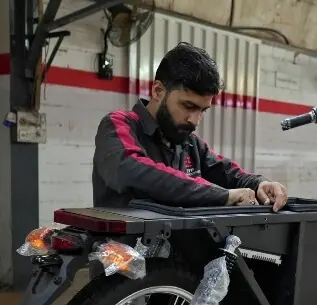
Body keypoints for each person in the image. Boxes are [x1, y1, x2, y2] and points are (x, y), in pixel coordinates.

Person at [92, 42, 287, 210]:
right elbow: (131, 172)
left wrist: (260, 184)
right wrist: (224, 196)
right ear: (158, 91)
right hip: (122, 251)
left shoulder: (190, 144)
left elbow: (227, 173)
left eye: (203, 110)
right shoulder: (118, 125)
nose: (194, 120)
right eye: (188, 106)